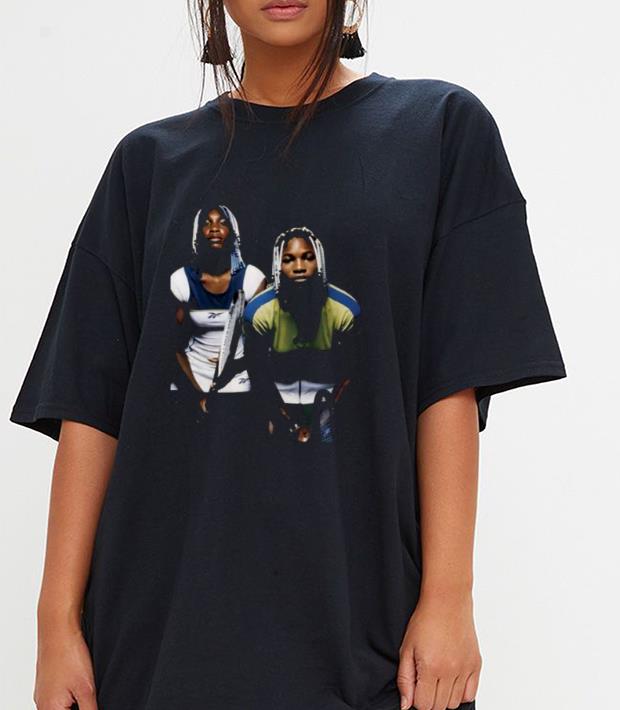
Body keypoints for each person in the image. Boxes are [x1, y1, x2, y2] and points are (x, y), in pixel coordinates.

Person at [9, 1, 567, 709]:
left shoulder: (438, 131)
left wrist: (449, 598)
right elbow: (90, 408)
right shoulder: (147, 166)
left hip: (368, 633)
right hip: (161, 639)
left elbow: (450, 384)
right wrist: (55, 623)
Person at [245, 226, 360, 443]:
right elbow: (256, 370)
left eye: (308, 258)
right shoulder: (259, 311)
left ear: (319, 261)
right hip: (277, 402)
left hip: (328, 404)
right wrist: (281, 417)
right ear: (278, 264)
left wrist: (326, 415)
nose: (299, 267)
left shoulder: (344, 309)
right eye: (289, 259)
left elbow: (352, 370)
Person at [170, 204, 266, 412]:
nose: (214, 228)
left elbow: (259, 347)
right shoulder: (181, 281)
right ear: (197, 234)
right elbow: (174, 347)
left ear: (233, 233)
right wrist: (198, 393)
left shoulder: (252, 279)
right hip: (191, 380)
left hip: (237, 380)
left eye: (222, 223)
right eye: (207, 223)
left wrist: (229, 370)